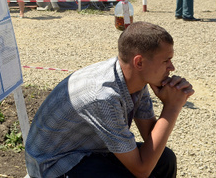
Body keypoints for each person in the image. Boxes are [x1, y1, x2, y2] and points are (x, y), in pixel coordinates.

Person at [25, 22, 195, 178]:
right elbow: (141, 169)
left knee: (165, 160)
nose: (172, 68)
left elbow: (150, 138)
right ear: (139, 62)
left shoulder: (135, 77)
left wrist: (169, 103)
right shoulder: (103, 96)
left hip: (85, 152)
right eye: (166, 61)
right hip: (54, 164)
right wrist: (172, 107)